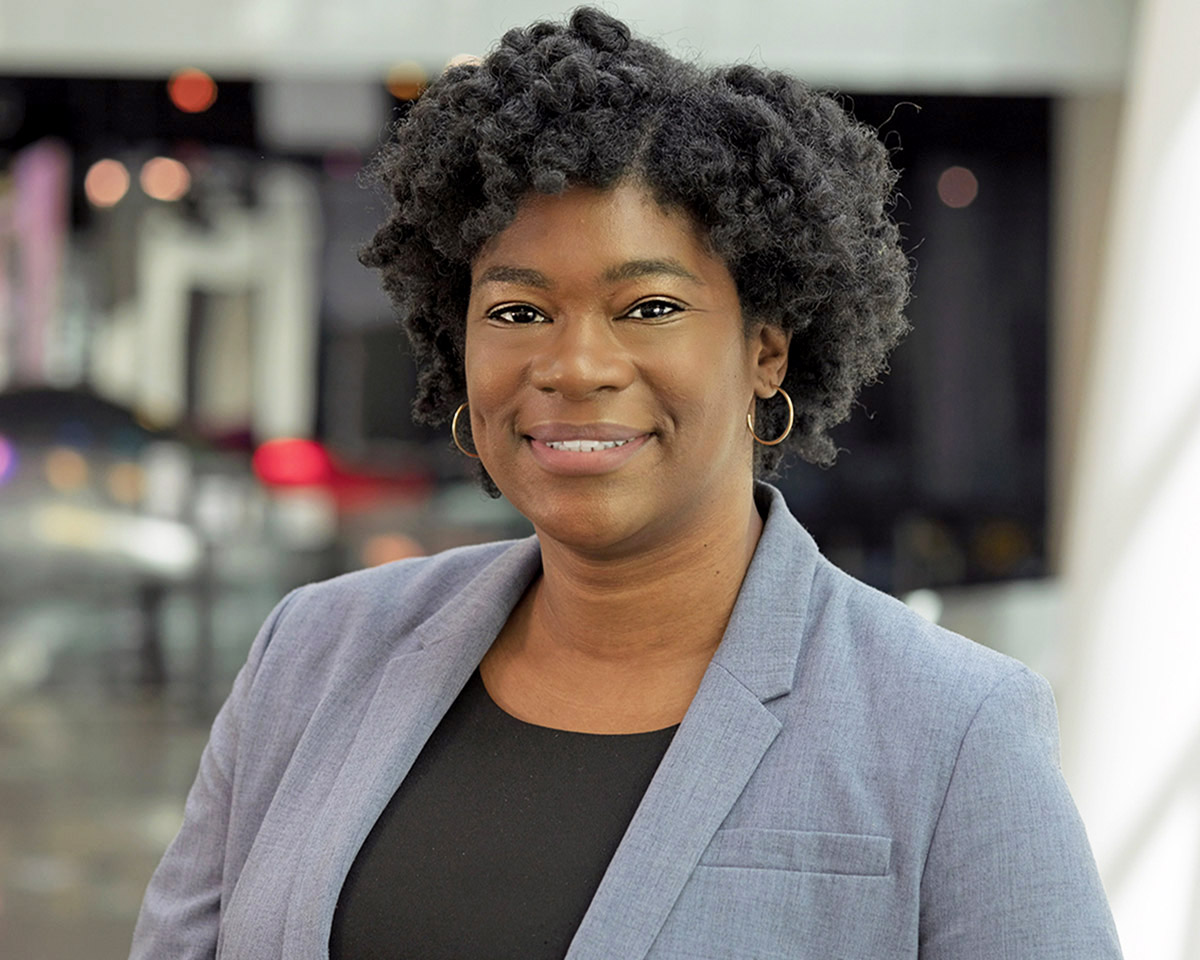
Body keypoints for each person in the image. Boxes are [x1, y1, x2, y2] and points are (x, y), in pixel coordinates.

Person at [130, 7, 1122, 959]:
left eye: (648, 307)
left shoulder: (952, 726)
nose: (575, 367)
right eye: (518, 313)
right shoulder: (312, 653)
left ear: (766, 350)